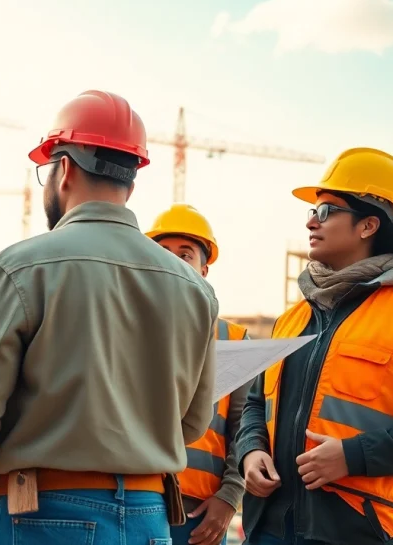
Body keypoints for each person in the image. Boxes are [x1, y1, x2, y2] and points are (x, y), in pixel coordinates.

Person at [0, 90, 219, 545]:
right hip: (153, 518)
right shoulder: (194, 288)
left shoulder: (18, 269)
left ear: (64, 168)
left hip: (46, 512)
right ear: (132, 178)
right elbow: (191, 423)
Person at [235, 147, 393, 545]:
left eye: (327, 210)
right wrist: (250, 450)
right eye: (312, 211)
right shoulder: (293, 317)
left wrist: (353, 456)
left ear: (368, 225)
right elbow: (257, 404)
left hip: (357, 529)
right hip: (269, 528)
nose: (312, 221)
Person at [146, 203, 251, 545]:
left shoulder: (233, 339)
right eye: (163, 252)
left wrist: (230, 497)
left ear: (203, 270)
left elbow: (245, 427)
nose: (174, 260)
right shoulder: (127, 325)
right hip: (132, 497)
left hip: (198, 511)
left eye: (186, 254)